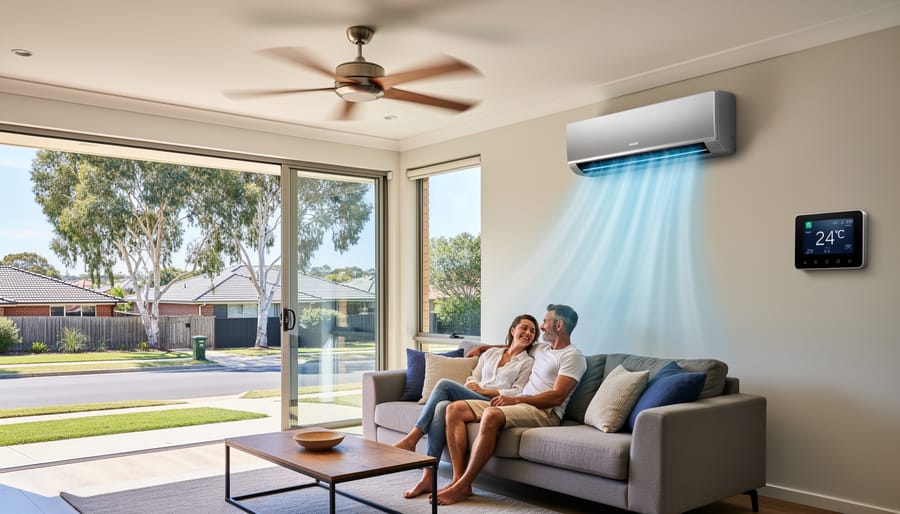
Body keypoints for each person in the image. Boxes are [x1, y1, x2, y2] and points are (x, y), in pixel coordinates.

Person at [434, 304, 587, 505]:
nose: (541, 327)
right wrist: (481, 348)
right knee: (454, 409)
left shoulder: (573, 356)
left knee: (492, 414)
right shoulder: (542, 348)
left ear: (559, 325)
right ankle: (458, 479)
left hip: (544, 412)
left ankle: (463, 485)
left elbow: (557, 397)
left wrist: (516, 399)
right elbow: (512, 346)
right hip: (520, 404)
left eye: (545, 321)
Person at [394, 314, 538, 499]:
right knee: (442, 407)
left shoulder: (528, 362)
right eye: (524, 328)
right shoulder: (492, 353)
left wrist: (485, 391)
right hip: (474, 394)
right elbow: (474, 375)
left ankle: (413, 438)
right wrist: (472, 384)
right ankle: (429, 476)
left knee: (444, 385)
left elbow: (517, 391)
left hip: (494, 402)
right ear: (513, 330)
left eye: (532, 331)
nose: (528, 333)